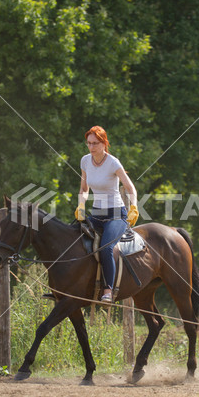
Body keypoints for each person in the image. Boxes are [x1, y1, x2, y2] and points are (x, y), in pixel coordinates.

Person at [75, 126, 139, 303]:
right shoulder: (85, 161)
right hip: (96, 214)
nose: (91, 147)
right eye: (88, 143)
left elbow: (129, 187)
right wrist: (81, 204)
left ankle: (108, 290)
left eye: (95, 143)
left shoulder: (113, 162)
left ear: (104, 143)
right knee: (74, 238)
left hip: (115, 215)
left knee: (106, 248)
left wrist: (134, 206)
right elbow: (84, 188)